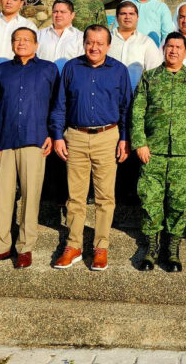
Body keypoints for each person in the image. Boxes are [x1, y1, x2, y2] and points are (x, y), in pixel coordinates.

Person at [51, 25, 132, 271]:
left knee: (105, 197)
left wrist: (125, 138)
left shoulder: (119, 70)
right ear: (83, 43)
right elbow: (60, 105)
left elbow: (126, 107)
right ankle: (74, 245)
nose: (94, 47)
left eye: (99, 43)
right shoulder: (72, 68)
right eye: (90, 42)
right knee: (75, 196)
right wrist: (57, 135)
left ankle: (100, 246)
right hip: (75, 136)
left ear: (108, 46)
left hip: (108, 137)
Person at [0, 27, 59, 269]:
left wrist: (53, 135)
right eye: (17, 39)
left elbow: (57, 105)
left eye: (27, 40)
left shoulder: (48, 70)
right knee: (0, 197)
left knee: (31, 197)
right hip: (4, 142)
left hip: (35, 140)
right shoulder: (1, 71)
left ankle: (25, 247)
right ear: (12, 43)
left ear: (36, 44)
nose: (21, 43)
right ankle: (0, 247)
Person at [131, 33, 186, 272]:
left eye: (178, 47)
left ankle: (172, 250)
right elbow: (138, 112)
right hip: (153, 151)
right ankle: (151, 249)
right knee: (150, 200)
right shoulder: (149, 78)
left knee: (179, 203)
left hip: (183, 153)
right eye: (170, 46)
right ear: (164, 49)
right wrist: (140, 142)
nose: (173, 50)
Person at [109, 0, 162, 88]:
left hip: (136, 96)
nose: (127, 17)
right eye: (123, 14)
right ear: (117, 17)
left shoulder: (146, 42)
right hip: (108, 94)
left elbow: (154, 73)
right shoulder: (106, 39)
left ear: (137, 17)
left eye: (131, 14)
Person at [37, 0, 84, 73]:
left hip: (69, 82)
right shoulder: (39, 35)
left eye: (63, 12)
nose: (58, 15)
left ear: (72, 15)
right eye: (55, 11)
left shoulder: (81, 38)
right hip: (43, 81)